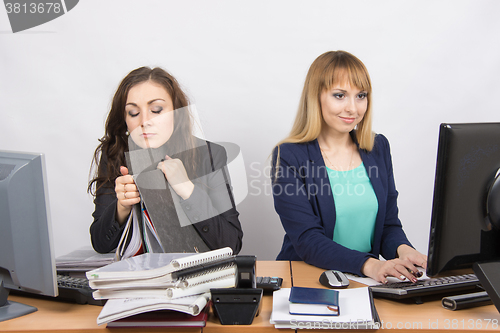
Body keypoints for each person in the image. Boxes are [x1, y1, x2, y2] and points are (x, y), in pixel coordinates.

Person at [271, 51, 427, 283]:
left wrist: (405, 250)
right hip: (309, 277)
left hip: (366, 279)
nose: (353, 109)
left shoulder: (378, 147)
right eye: (340, 95)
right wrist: (370, 265)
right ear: (316, 97)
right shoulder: (290, 155)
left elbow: (387, 225)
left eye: (360, 96)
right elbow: (308, 240)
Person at [88, 67, 243, 255]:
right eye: (133, 112)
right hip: (138, 278)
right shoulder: (115, 154)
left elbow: (231, 245)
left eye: (156, 110)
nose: (145, 121)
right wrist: (121, 208)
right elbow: (100, 244)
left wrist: (188, 190)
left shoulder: (209, 154)